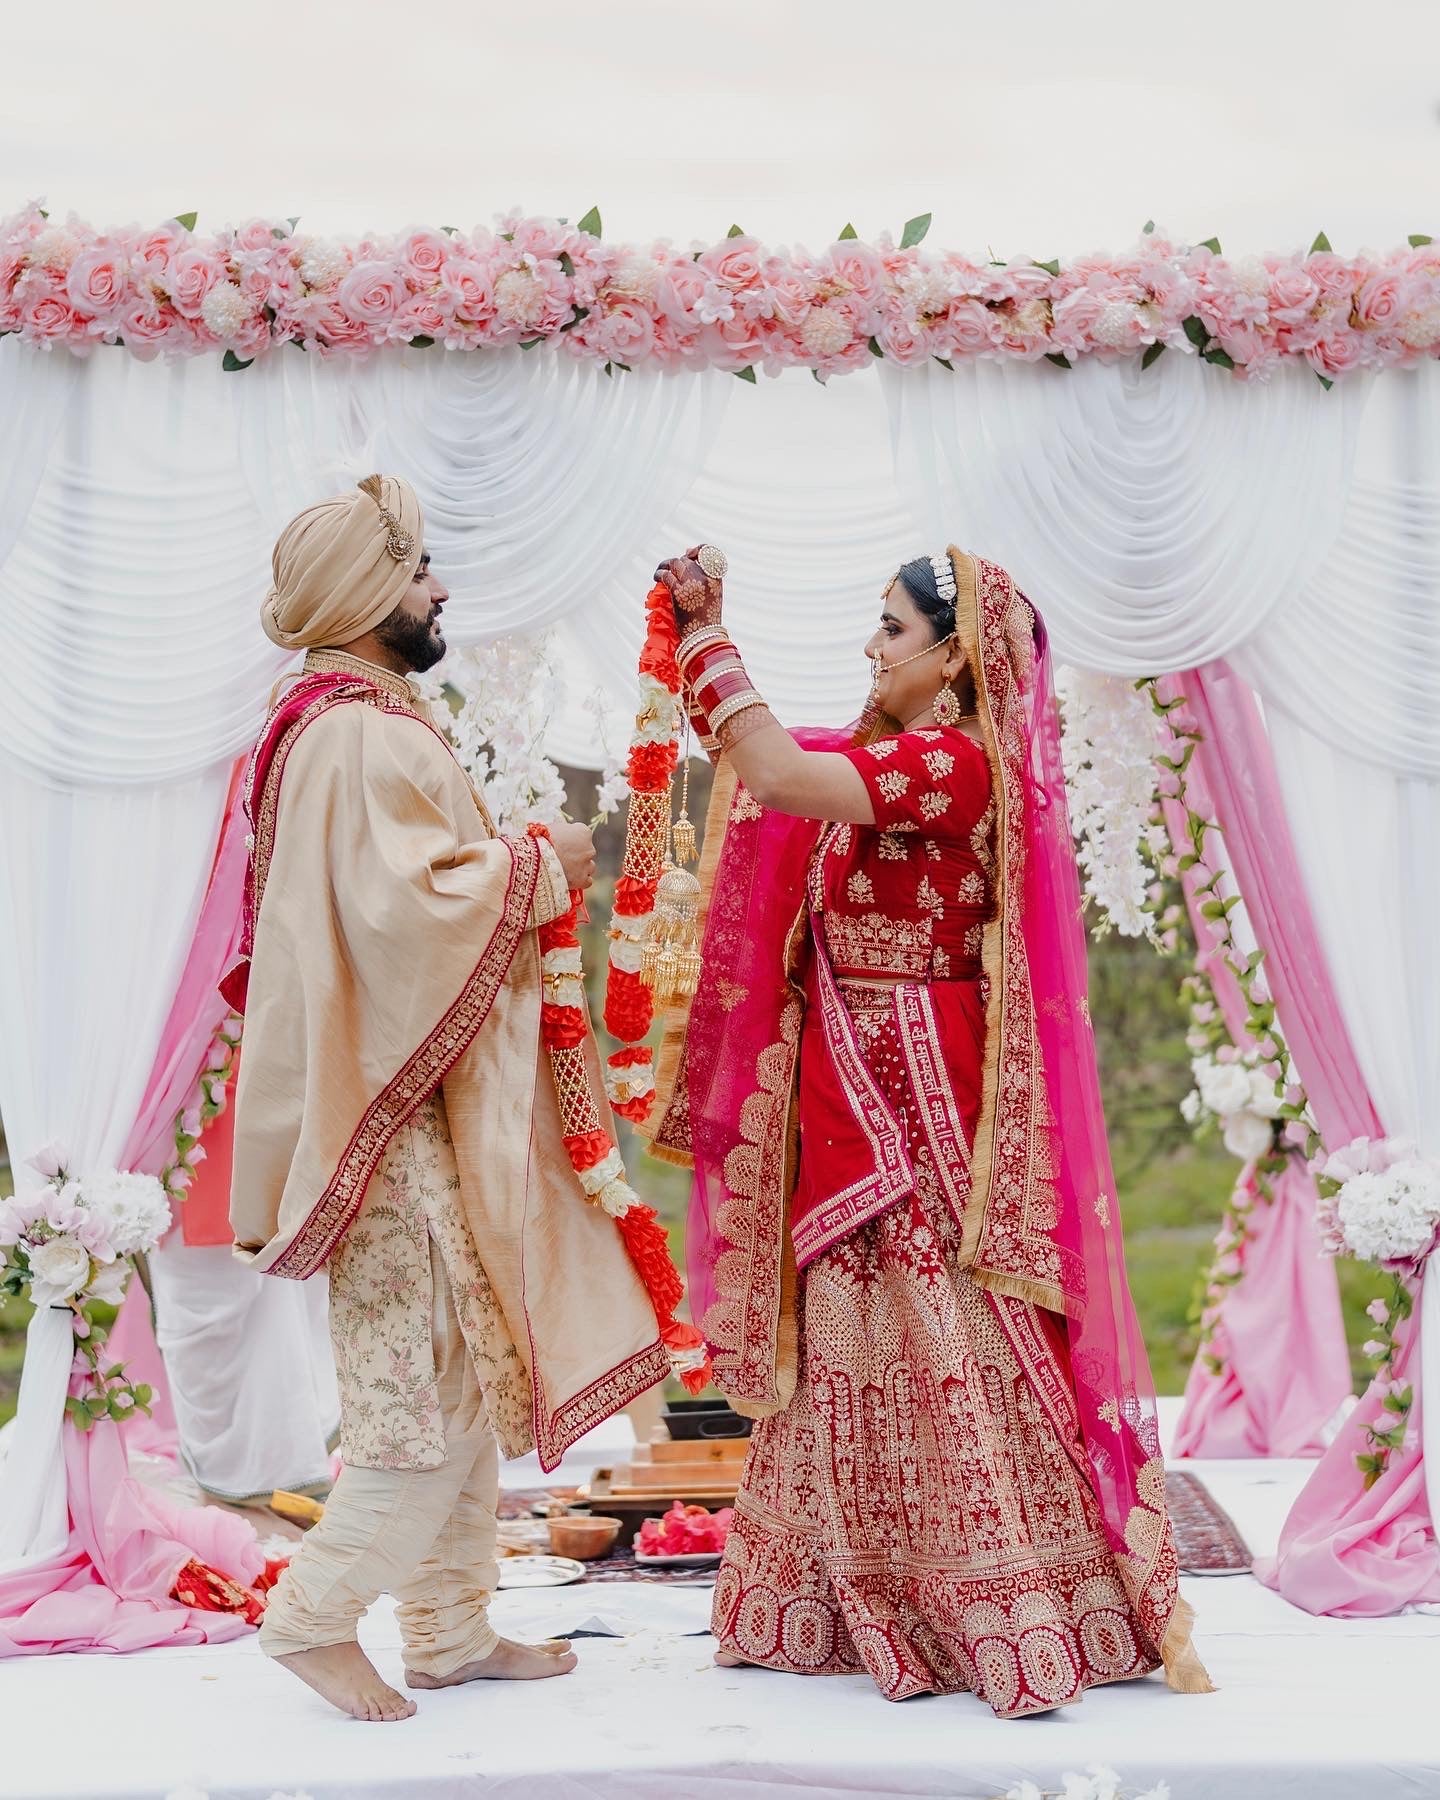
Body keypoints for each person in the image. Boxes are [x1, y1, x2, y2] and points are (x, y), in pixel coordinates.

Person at [647, 545, 1212, 1717]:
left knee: (936, 1301)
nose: (871, 647)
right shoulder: (898, 755)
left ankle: (1003, 1595)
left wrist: (706, 632)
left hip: (915, 1079)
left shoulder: (957, 765)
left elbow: (779, 776)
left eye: (893, 630)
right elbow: (783, 775)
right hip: (854, 1071)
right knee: (850, 1310)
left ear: (956, 656)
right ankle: (864, 1589)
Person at [225, 475, 671, 1722]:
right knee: (418, 1396)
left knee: (466, 1373)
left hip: (406, 1107)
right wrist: (539, 864)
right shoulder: (358, 732)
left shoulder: (354, 717)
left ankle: (449, 1629)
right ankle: (309, 1620)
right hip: (392, 1127)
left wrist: (511, 865)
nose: (439, 589)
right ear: (370, 591)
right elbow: (400, 915)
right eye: (419, 570)